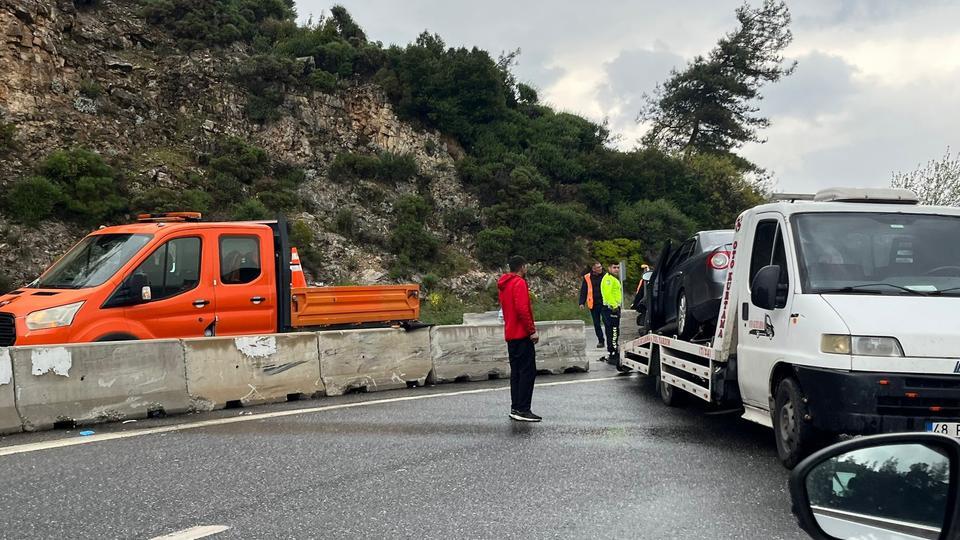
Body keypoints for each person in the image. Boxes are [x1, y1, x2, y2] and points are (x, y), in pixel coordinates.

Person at [498, 256, 541, 423]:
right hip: (521, 334)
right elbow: (522, 309)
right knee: (527, 372)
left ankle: (515, 407)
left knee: (516, 372)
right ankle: (523, 409)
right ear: (522, 267)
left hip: (510, 334)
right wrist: (532, 331)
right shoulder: (519, 283)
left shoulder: (504, 284)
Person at [578, 261, 607, 349]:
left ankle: (610, 340)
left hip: (605, 303)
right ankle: (601, 341)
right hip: (593, 304)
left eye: (600, 267)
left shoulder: (606, 276)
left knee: (607, 322)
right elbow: (584, 290)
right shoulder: (587, 277)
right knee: (596, 323)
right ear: (593, 269)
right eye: (598, 267)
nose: (600, 268)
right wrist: (581, 302)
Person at [600, 262, 623, 363]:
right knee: (613, 331)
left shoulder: (613, 279)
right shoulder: (608, 279)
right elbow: (608, 294)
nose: (616, 269)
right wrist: (614, 306)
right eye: (614, 267)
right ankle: (613, 353)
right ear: (609, 268)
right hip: (610, 309)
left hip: (613, 308)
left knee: (614, 331)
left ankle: (613, 351)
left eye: (618, 267)